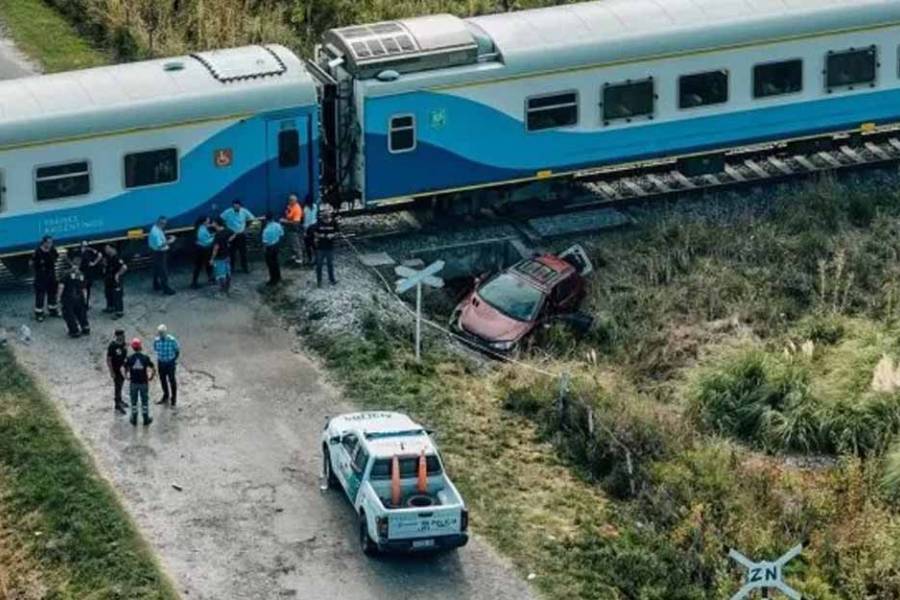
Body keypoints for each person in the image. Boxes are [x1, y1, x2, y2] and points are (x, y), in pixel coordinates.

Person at [123, 338, 154, 426]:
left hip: (133, 383)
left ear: (132, 348)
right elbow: (153, 368)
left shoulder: (129, 358)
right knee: (144, 402)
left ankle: (134, 418)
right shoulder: (145, 358)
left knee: (134, 402)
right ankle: (145, 419)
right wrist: (151, 376)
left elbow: (125, 368)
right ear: (140, 346)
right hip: (144, 382)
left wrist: (127, 376)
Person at [59, 255, 90, 338]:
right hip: (79, 297)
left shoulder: (66, 274)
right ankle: (85, 328)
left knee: (69, 314)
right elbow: (84, 289)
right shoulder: (81, 275)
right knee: (81, 313)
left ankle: (74, 331)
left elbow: (61, 286)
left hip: (68, 298)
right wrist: (86, 300)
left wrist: (58, 297)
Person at [220, 200, 255, 273]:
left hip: (241, 234)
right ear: (232, 206)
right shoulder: (228, 212)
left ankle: (245, 268)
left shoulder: (244, 211)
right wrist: (226, 229)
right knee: (231, 252)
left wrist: (246, 228)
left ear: (240, 206)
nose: (236, 207)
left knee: (243, 252)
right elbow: (221, 219)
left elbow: (252, 218)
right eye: (234, 206)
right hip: (231, 234)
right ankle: (231, 268)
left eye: (237, 206)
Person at [31, 235, 59, 322]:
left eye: (51, 242)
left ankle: (53, 310)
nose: (50, 244)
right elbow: (33, 264)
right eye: (48, 243)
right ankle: (39, 313)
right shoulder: (38, 252)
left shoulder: (52, 250)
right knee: (40, 295)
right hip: (41, 276)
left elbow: (56, 257)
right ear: (44, 243)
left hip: (51, 275)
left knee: (52, 293)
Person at [153, 324, 180, 408]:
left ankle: (173, 399)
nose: (161, 334)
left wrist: (173, 360)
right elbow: (156, 349)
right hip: (161, 363)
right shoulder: (156, 341)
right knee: (162, 380)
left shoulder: (172, 340)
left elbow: (177, 350)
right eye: (159, 333)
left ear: (165, 332)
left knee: (172, 380)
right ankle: (166, 395)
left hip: (170, 363)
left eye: (162, 332)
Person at [312, 205, 338, 288]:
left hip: (330, 247)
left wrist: (332, 235)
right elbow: (314, 233)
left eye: (328, 218)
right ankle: (319, 281)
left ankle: (332, 280)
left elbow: (337, 232)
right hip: (320, 247)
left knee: (330, 264)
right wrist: (320, 236)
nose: (327, 220)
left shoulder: (334, 222)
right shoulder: (318, 223)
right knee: (319, 265)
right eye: (325, 218)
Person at [148, 216, 176, 295]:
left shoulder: (155, 228)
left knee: (157, 269)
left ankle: (156, 285)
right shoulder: (156, 232)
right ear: (161, 223)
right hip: (159, 253)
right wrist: (170, 241)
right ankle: (166, 289)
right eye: (164, 223)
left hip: (155, 252)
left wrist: (166, 237)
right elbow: (160, 245)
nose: (164, 225)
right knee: (163, 271)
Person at [209, 217, 234, 296]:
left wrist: (212, 259)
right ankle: (227, 289)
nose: (211, 224)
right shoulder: (227, 230)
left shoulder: (217, 235)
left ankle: (222, 291)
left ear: (216, 223)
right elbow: (234, 234)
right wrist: (229, 241)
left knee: (220, 275)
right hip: (227, 255)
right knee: (227, 272)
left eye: (212, 222)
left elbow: (216, 248)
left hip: (219, 257)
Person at [106, 329, 128, 414]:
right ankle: (117, 404)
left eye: (123, 335)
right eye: (122, 335)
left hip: (123, 369)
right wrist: (111, 372)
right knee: (117, 386)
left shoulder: (123, 344)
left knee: (121, 385)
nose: (123, 336)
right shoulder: (112, 346)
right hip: (116, 370)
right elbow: (108, 359)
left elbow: (125, 355)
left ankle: (120, 400)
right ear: (117, 336)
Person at [103, 244, 127, 319]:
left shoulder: (117, 257)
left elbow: (124, 267)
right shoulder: (108, 257)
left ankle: (119, 312)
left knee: (117, 295)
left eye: (107, 248)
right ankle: (110, 307)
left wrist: (118, 274)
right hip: (109, 279)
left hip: (116, 279)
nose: (106, 250)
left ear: (112, 248)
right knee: (108, 292)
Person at [78, 241, 104, 309]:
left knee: (87, 289)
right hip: (81, 274)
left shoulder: (90, 252)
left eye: (86, 246)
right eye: (83, 246)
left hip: (88, 274)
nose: (84, 247)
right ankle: (82, 304)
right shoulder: (78, 253)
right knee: (82, 289)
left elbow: (100, 255)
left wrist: (94, 263)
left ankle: (85, 304)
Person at [191, 215, 215, 288]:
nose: (209, 221)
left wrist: (211, 235)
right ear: (204, 221)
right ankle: (194, 283)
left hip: (201, 249)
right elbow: (206, 241)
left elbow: (206, 236)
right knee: (203, 265)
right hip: (203, 249)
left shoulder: (201, 227)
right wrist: (214, 237)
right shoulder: (201, 230)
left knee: (203, 265)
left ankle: (210, 279)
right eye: (208, 220)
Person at [262, 212, 284, 286]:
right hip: (276, 246)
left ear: (266, 220)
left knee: (270, 265)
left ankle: (273, 280)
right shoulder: (278, 225)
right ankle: (278, 277)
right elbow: (281, 234)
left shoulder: (266, 230)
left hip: (269, 248)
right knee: (276, 263)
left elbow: (265, 242)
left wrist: (264, 251)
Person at [280, 194, 304, 265]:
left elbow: (296, 223)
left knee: (296, 245)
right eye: (289, 200)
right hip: (289, 229)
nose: (289, 201)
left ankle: (299, 261)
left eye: (291, 200)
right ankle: (294, 259)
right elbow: (287, 213)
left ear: (295, 201)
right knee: (291, 245)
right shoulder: (290, 206)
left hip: (294, 230)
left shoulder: (297, 209)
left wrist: (285, 221)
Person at [302, 196, 318, 268]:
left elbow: (306, 222)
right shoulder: (315, 206)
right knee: (313, 244)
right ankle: (317, 258)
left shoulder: (305, 209)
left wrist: (304, 232)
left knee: (307, 245)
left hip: (309, 228)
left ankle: (310, 259)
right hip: (314, 226)